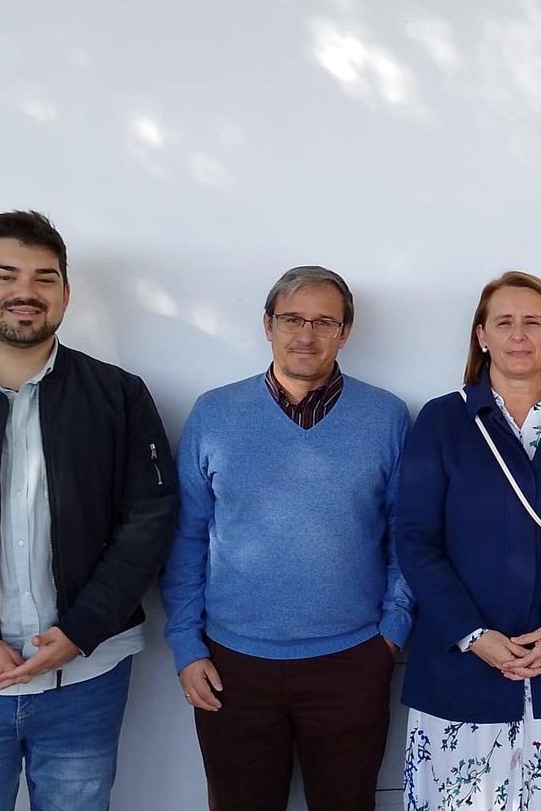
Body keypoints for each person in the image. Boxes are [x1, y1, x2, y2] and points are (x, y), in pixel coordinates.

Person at [0, 210, 178, 811]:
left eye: (44, 278)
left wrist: (81, 632)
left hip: (86, 676)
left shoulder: (119, 396)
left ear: (65, 295)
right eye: (5, 276)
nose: (25, 292)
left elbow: (150, 519)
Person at [161, 265, 412, 810]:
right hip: (232, 665)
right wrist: (185, 644)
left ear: (345, 333)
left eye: (324, 322)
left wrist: (390, 634)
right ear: (267, 325)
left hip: (351, 660)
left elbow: (405, 538)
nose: (306, 334)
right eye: (292, 319)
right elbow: (188, 538)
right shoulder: (215, 414)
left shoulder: (386, 417)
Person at [395, 270, 541, 810]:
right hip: (462, 667)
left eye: (533, 322)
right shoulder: (443, 420)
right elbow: (415, 539)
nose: (518, 335)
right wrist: (473, 634)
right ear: (482, 336)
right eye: (504, 322)